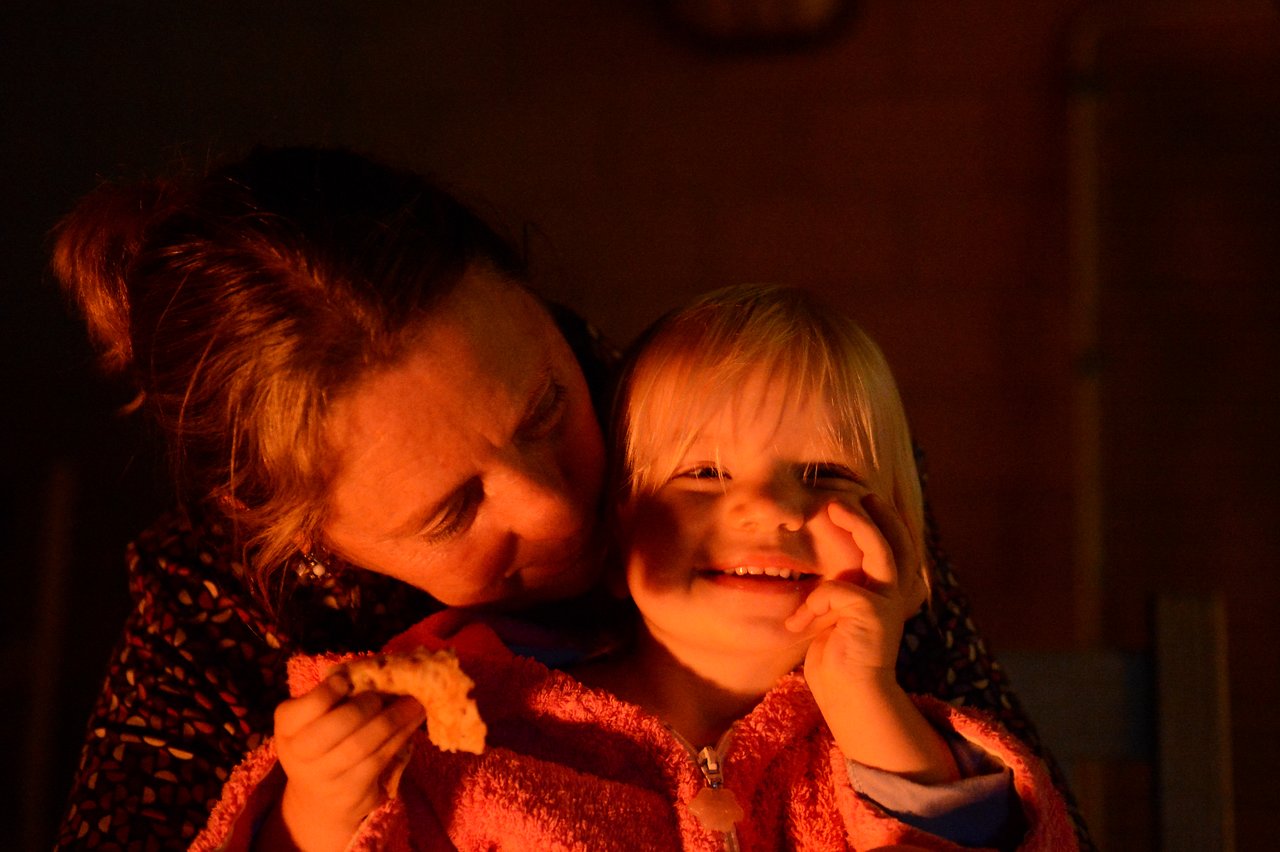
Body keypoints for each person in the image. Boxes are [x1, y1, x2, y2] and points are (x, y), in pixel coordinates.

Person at [51, 147, 1090, 849]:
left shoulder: (765, 462)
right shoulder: (214, 611)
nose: (555, 508)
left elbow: (999, 804)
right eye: (453, 509)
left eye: (546, 407)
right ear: (300, 537)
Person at [192, 284, 1077, 851]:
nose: (772, 509)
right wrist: (317, 818)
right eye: (704, 475)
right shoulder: (473, 737)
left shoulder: (894, 754)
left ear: (905, 551)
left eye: (826, 475)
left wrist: (866, 702)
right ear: (612, 534)